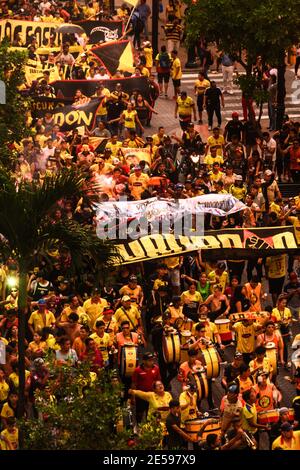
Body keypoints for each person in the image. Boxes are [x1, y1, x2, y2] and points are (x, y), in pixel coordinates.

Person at [131, 352, 161, 423]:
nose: (152, 362)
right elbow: (133, 384)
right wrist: (133, 397)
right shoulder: (137, 370)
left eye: (152, 360)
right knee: (139, 414)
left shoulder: (156, 369)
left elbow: (158, 381)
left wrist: (159, 394)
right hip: (141, 396)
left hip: (152, 396)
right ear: (144, 361)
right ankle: (138, 428)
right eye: (149, 360)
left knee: (151, 414)